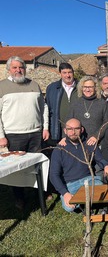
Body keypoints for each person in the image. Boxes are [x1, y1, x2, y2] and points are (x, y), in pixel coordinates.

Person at [0, 56, 50, 210]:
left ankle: (39, 193)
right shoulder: (2, 87)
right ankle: (19, 197)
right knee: (17, 169)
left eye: (21, 67)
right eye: (14, 67)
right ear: (9, 69)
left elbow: (44, 107)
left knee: (36, 166)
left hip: (35, 133)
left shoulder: (34, 85)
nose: (18, 70)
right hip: (13, 134)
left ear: (25, 68)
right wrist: (1, 136)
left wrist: (45, 127)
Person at [49, 118, 108, 212]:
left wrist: (106, 165)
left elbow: (100, 159)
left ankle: (93, 205)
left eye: (76, 128)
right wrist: (65, 193)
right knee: (69, 207)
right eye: (70, 129)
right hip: (70, 185)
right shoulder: (59, 150)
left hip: (88, 180)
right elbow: (53, 175)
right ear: (65, 131)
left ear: (82, 130)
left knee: (101, 188)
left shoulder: (88, 144)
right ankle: (86, 204)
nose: (73, 132)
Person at [67, 76, 108, 146]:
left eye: (90, 87)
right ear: (81, 88)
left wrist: (97, 136)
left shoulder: (102, 103)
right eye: (85, 87)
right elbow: (68, 122)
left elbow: (107, 122)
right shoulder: (75, 104)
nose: (87, 90)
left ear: (95, 88)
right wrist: (65, 137)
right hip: (78, 143)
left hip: (97, 143)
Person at [46, 62, 78, 144]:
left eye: (70, 72)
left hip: (77, 130)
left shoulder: (81, 87)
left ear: (73, 73)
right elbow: (47, 109)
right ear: (60, 74)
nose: (68, 75)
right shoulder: (52, 88)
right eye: (64, 73)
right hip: (58, 129)